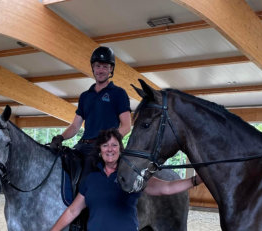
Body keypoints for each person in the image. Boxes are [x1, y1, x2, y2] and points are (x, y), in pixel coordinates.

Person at [51, 128, 203, 231]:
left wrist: (195, 180)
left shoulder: (131, 176)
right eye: (105, 145)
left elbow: (166, 188)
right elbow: (72, 210)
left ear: (120, 149)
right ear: (100, 150)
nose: (110, 149)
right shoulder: (92, 179)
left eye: (114, 145)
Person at [50, 46, 131, 156]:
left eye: (105, 67)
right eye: (98, 66)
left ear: (111, 69)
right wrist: (60, 137)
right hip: (83, 147)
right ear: (93, 67)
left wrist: (109, 143)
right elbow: (75, 126)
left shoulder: (119, 93)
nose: (100, 70)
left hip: (103, 151)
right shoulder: (85, 96)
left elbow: (126, 126)